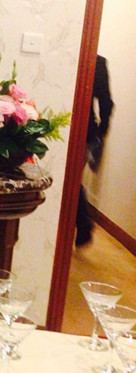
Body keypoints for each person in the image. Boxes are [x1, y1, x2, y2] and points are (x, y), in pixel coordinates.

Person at [76, 54, 115, 246]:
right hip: (86, 130)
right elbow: (106, 102)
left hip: (83, 131)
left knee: (70, 180)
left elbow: (106, 103)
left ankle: (83, 224)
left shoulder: (94, 61)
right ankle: (83, 224)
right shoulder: (97, 61)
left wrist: (98, 134)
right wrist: (100, 133)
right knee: (72, 180)